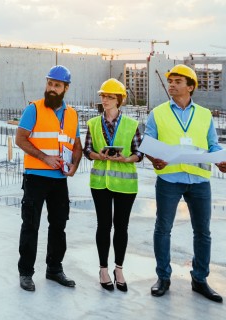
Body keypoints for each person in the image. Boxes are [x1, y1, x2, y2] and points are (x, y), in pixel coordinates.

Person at [145, 64, 226, 302]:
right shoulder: (158, 112)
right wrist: (155, 159)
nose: (171, 85)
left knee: (203, 232)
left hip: (199, 182)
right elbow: (148, 142)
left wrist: (221, 160)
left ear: (190, 86)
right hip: (169, 180)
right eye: (170, 81)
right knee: (163, 229)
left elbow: (212, 144)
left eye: (177, 81)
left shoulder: (204, 115)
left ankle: (200, 279)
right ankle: (163, 277)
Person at [14, 65, 83, 292]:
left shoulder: (72, 114)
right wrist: (44, 157)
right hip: (35, 177)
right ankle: (26, 273)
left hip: (59, 180)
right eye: (49, 83)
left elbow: (76, 146)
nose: (51, 89)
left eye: (57, 85)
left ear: (65, 88)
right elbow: (21, 139)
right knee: (31, 225)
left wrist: (74, 165)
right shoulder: (33, 109)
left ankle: (54, 269)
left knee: (59, 225)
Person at [83, 78, 143, 292]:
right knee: (103, 226)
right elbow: (87, 151)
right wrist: (96, 155)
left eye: (110, 97)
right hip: (100, 183)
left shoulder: (131, 125)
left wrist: (125, 159)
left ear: (119, 100)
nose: (105, 100)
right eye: (103, 96)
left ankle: (119, 268)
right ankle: (103, 269)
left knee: (121, 227)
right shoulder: (92, 124)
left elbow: (139, 153)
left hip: (125, 186)